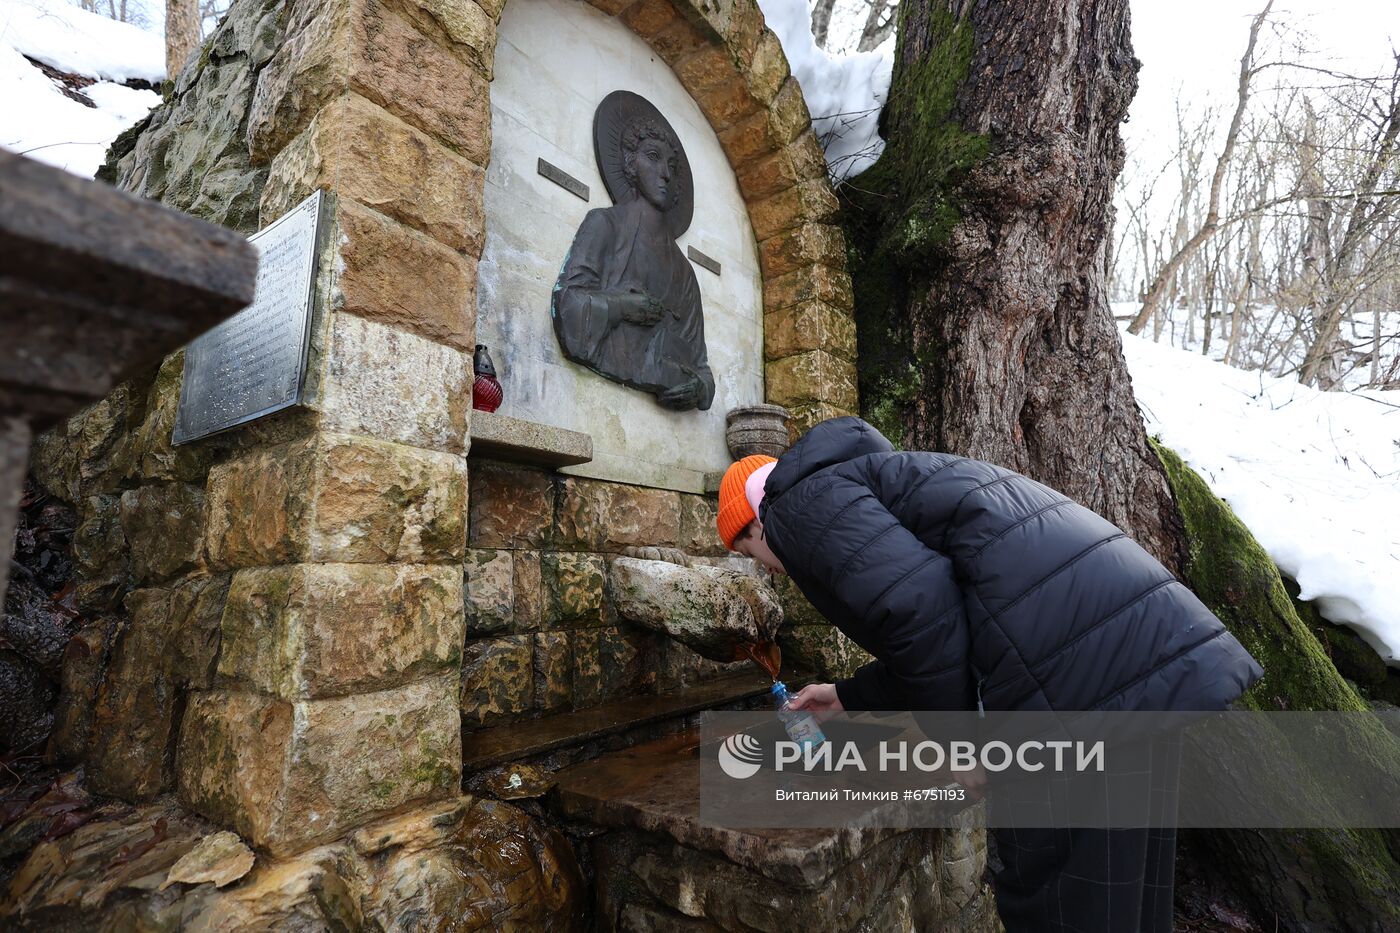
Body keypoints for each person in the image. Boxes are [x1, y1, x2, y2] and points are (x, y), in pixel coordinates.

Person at [715, 416, 1264, 933]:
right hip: (1135, 664)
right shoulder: (869, 482)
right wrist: (847, 695)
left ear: (754, 524)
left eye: (755, 554)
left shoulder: (798, 508)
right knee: (1125, 897)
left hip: (1070, 692)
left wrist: (970, 750)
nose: (773, 569)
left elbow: (921, 617)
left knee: (1061, 903)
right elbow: (943, 621)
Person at [551, 102, 715, 411]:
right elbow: (567, 305)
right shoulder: (604, 225)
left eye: (672, 166)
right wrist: (623, 306)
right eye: (652, 158)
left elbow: (701, 364)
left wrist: (699, 388)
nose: (665, 174)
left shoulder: (685, 273)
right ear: (630, 164)